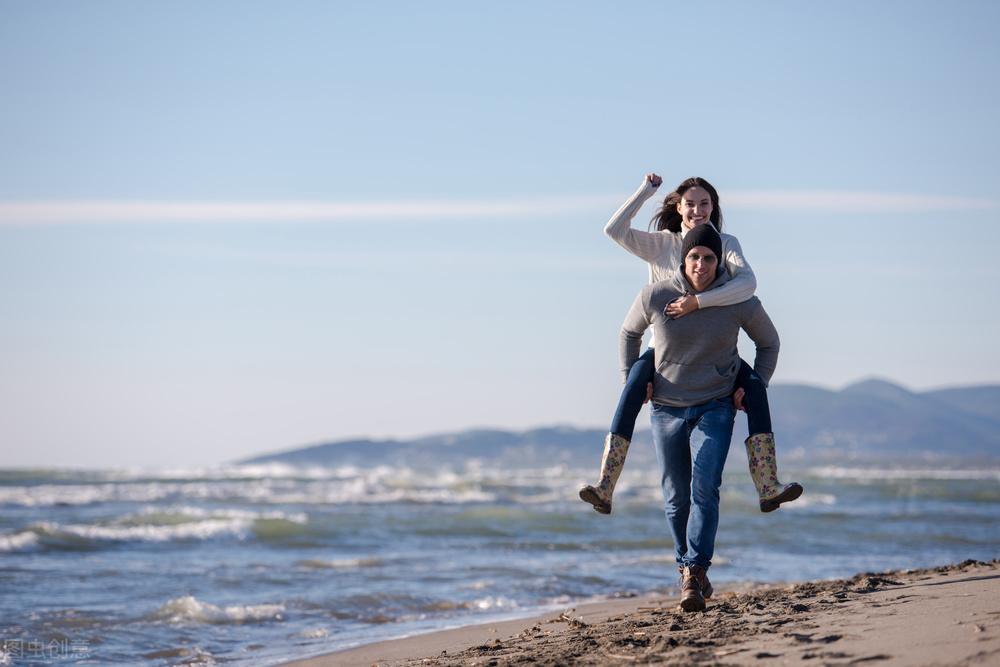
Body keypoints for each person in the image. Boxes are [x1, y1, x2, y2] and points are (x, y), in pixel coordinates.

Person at [579, 174, 801, 515]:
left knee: (756, 387)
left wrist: (698, 303)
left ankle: (768, 485)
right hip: (665, 350)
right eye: (690, 203)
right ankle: (605, 486)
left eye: (705, 203)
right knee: (631, 387)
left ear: (714, 208)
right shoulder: (662, 245)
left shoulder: (725, 244)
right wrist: (645, 191)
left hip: (713, 348)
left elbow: (748, 285)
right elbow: (614, 230)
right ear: (678, 207)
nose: (698, 210)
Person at [619, 224, 779, 611]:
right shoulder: (657, 294)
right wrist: (635, 382)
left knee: (705, 487)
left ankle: (694, 570)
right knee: (675, 497)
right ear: (684, 259)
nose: (702, 265)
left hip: (715, 406)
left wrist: (755, 385)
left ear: (717, 260)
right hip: (666, 408)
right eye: (695, 257)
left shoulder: (735, 299)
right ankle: (688, 569)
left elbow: (769, 342)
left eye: (709, 258)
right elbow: (628, 334)